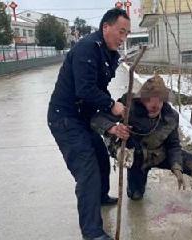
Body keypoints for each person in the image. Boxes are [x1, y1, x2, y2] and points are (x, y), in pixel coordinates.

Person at [47, 8, 130, 240]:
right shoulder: (86, 49)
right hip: (65, 118)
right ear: (106, 27)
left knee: (101, 158)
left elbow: (97, 91)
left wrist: (111, 122)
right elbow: (85, 89)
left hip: (83, 117)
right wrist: (112, 105)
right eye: (120, 31)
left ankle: (101, 196)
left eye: (127, 33)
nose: (123, 38)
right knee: (88, 171)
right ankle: (92, 232)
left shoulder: (107, 53)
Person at [91, 74, 192, 201]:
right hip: (136, 158)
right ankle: (136, 186)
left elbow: (174, 145)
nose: (155, 105)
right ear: (142, 99)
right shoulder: (127, 106)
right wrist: (114, 128)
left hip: (159, 153)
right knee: (135, 196)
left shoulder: (170, 116)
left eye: (160, 101)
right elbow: (96, 119)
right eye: (149, 101)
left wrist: (176, 166)